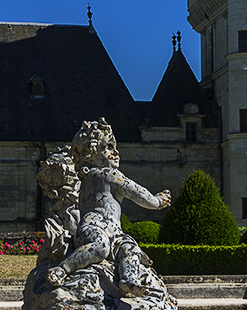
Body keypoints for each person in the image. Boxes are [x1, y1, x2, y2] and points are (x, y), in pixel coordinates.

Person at [45, 118, 170, 295]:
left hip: (114, 233)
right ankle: (62, 269)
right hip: (92, 228)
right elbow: (139, 194)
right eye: (109, 147)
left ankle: (128, 280)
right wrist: (158, 201)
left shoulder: (85, 177)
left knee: (130, 248)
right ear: (91, 152)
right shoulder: (109, 174)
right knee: (100, 245)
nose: (115, 152)